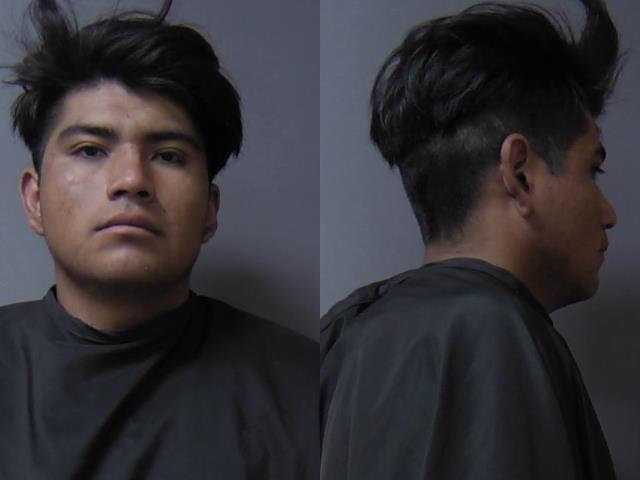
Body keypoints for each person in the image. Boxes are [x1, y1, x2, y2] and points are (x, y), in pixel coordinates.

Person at [0, 1, 318, 478]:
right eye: (90, 150)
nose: (131, 180)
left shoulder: (309, 389)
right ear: (35, 199)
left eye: (168, 156)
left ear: (209, 210)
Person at [320, 0, 622, 478]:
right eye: (592, 170)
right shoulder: (493, 331)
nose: (610, 214)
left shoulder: (344, 333)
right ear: (520, 173)